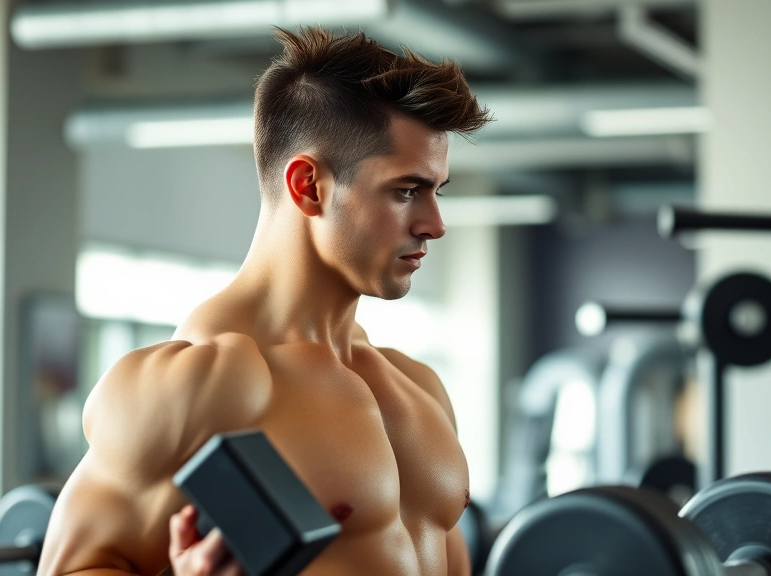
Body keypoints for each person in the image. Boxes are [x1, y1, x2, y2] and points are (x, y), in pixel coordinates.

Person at [38, 26, 492, 576]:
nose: (435, 225)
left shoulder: (419, 386)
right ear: (308, 186)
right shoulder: (201, 387)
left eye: (436, 191)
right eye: (406, 191)